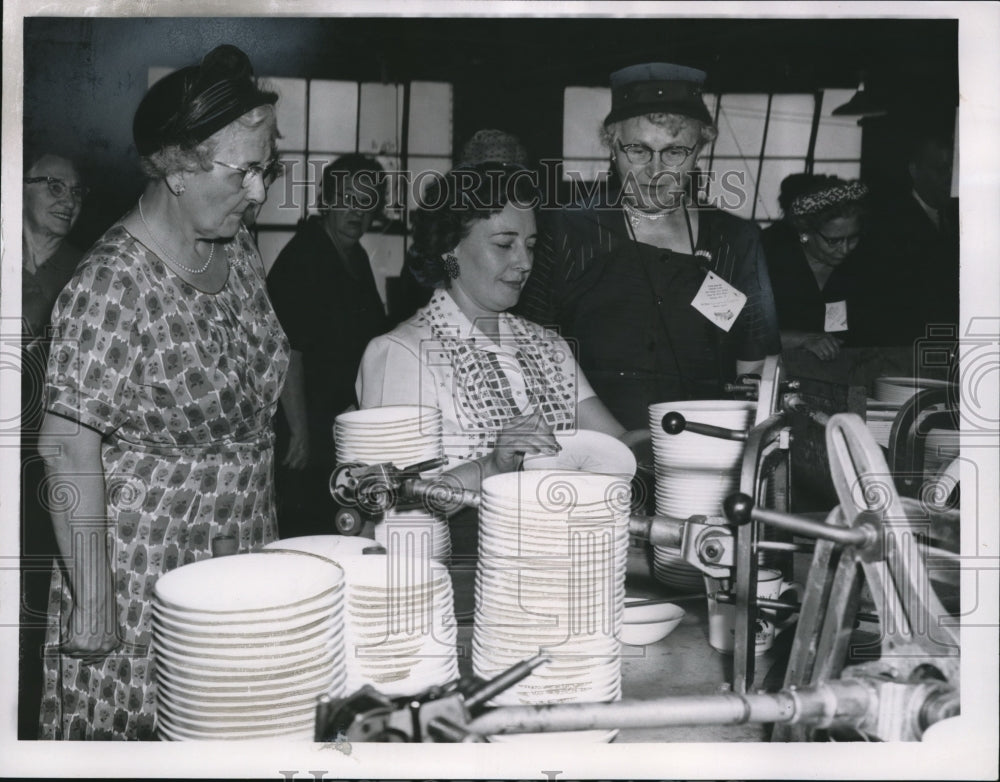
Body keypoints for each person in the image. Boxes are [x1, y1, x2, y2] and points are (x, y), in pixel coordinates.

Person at [35, 44, 289, 740]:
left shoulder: (236, 250)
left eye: (268, 169)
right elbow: (64, 447)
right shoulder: (112, 283)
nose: (260, 192)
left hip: (241, 541)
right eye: (245, 172)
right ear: (176, 166)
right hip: (144, 570)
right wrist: (93, 601)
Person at [518, 63, 781, 430]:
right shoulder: (567, 229)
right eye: (638, 150)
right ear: (612, 146)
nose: (654, 170)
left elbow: (755, 365)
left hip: (702, 449)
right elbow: (527, 348)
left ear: (700, 149)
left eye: (674, 153)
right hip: (588, 452)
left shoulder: (735, 241)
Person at [356, 162, 636, 486]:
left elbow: (618, 443)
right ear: (450, 250)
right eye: (505, 245)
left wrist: (673, 448)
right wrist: (492, 465)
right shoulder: (401, 353)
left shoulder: (547, 345)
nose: (526, 263)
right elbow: (394, 497)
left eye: (530, 246)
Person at [266, 155, 390, 537]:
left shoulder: (356, 257)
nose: (357, 211)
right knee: (309, 530)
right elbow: (288, 350)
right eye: (348, 199)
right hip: (306, 426)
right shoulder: (305, 257)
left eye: (367, 201)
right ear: (326, 201)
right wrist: (300, 432)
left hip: (340, 424)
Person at [19, 148, 87, 738]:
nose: (69, 200)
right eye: (54, 187)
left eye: (76, 192)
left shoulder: (83, 272)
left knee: (36, 588)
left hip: (48, 457)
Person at [861, 125, 959, 349]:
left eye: (954, 170)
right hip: (910, 342)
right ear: (915, 171)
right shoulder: (889, 223)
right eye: (941, 170)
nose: (949, 179)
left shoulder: (957, 215)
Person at [761, 175, 869, 364]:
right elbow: (729, 328)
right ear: (805, 232)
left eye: (852, 238)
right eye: (833, 241)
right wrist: (800, 339)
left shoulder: (860, 266)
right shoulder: (765, 258)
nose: (845, 250)